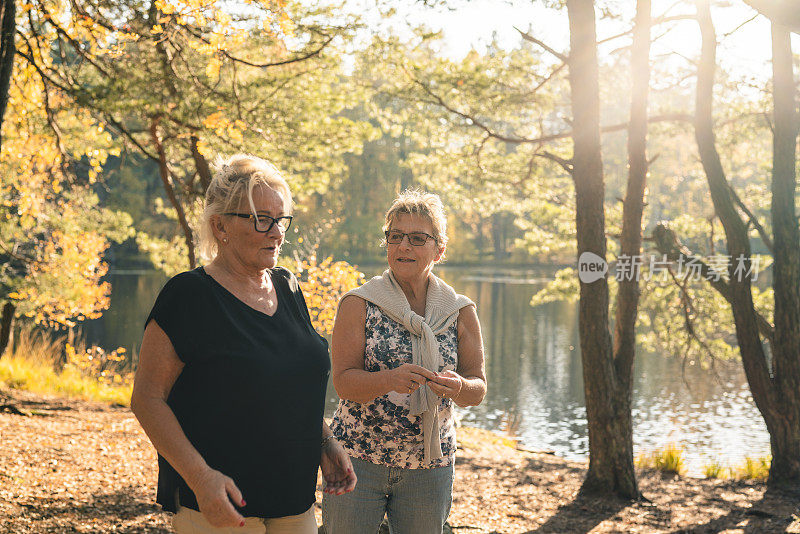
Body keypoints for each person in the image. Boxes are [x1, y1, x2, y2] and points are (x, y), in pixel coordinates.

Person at [130, 154, 356, 534]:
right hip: (220, 506)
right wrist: (201, 479)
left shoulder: (287, 287)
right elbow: (148, 399)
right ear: (220, 226)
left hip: (294, 501)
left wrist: (326, 440)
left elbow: (285, 385)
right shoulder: (188, 296)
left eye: (281, 219)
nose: (277, 232)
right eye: (261, 219)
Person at [322, 190, 487, 534]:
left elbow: (477, 388)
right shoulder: (359, 303)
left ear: (439, 249)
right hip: (358, 460)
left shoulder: (460, 311)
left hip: (429, 465)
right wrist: (388, 379)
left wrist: (457, 386)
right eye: (395, 237)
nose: (403, 246)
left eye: (416, 238)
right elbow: (343, 382)